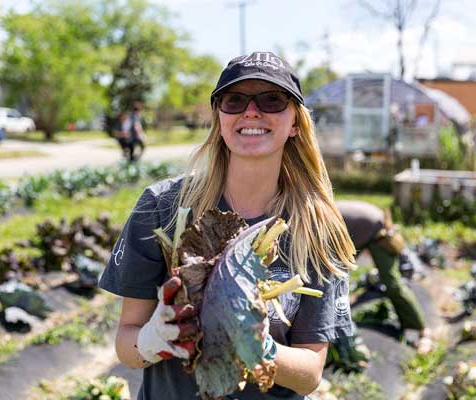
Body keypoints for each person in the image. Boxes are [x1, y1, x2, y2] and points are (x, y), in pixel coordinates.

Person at [98, 51, 357, 400]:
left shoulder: (317, 227)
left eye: (272, 100)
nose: (252, 111)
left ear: (295, 122)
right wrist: (154, 338)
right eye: (235, 100)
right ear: (219, 117)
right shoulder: (163, 207)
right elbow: (126, 346)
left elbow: (310, 373)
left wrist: (258, 347)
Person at [335, 200, 425, 332]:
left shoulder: (315, 217)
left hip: (378, 230)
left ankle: (421, 328)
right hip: (371, 221)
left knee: (392, 283)